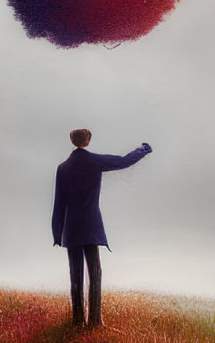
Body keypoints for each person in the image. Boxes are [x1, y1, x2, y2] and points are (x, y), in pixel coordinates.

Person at [51, 128, 152, 327]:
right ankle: (95, 321)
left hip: (71, 229)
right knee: (95, 273)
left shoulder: (63, 168)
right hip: (90, 226)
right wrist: (144, 149)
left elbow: (59, 204)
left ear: (72, 140)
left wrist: (57, 233)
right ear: (87, 140)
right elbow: (124, 161)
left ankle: (78, 320)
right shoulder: (93, 161)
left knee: (75, 276)